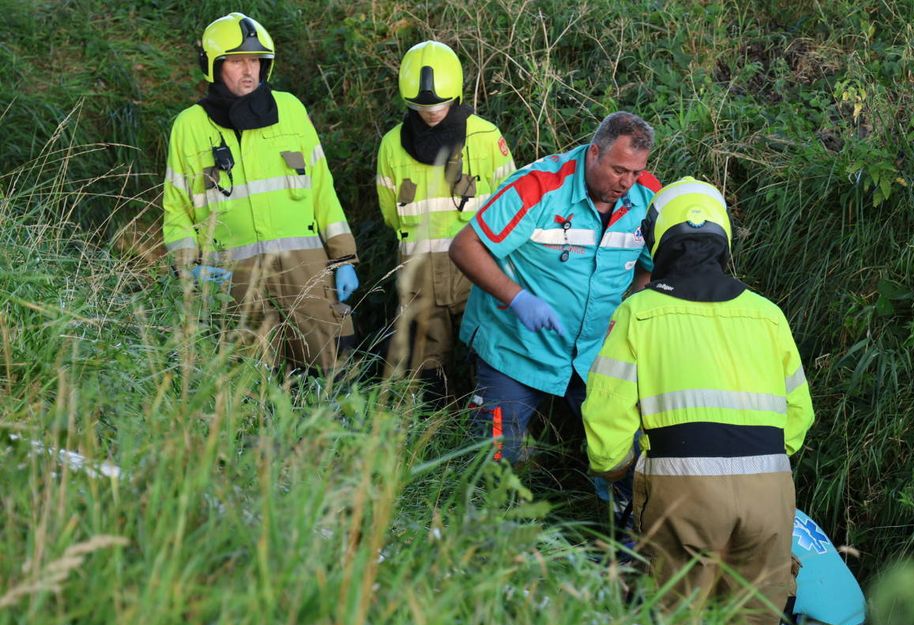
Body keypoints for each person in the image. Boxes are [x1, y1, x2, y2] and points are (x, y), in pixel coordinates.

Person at [581, 177, 815, 625]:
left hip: (683, 493)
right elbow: (798, 414)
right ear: (722, 238)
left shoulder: (638, 313)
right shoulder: (768, 314)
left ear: (658, 238)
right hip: (769, 493)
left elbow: (606, 417)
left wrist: (616, 469)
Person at [449, 111, 660, 463]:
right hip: (515, 349)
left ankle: (619, 513)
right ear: (594, 153)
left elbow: (650, 270)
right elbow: (465, 246)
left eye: (637, 172)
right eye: (619, 170)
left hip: (595, 353)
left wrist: (629, 317)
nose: (627, 182)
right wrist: (517, 299)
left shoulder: (649, 197)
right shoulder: (538, 187)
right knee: (492, 462)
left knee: (630, 456)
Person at [163, 12, 359, 372]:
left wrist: (343, 258)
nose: (248, 70)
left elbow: (322, 190)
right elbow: (176, 208)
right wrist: (189, 267)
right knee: (248, 383)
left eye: (255, 60)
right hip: (234, 278)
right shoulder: (188, 127)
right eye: (237, 61)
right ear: (213, 66)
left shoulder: (291, 110)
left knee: (323, 374)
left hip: (304, 271)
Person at [376, 40, 514, 401]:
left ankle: (485, 438)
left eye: (439, 102)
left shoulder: (485, 138)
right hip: (419, 273)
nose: (432, 111)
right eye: (422, 106)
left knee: (484, 355)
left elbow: (512, 207)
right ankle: (436, 439)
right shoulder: (392, 145)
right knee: (427, 364)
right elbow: (390, 212)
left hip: (477, 269)